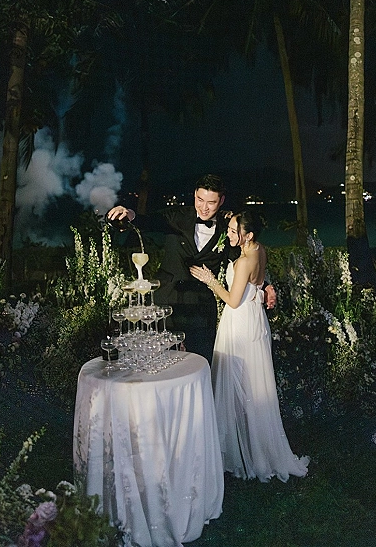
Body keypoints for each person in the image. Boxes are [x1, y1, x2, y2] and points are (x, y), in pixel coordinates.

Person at [190, 211, 309, 482]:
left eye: (233, 231)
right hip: (256, 321)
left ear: (249, 235)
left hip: (240, 323)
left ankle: (235, 450)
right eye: (230, 229)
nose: (229, 235)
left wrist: (210, 281)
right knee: (254, 385)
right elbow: (256, 285)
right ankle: (253, 445)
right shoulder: (260, 250)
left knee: (236, 384)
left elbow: (232, 301)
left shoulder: (244, 261)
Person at [107, 174, 276, 363]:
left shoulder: (227, 227)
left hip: (201, 308)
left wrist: (263, 285)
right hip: (166, 302)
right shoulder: (177, 217)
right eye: (199, 199)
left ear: (221, 200)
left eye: (211, 202)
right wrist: (129, 214)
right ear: (194, 195)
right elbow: (148, 221)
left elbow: (240, 261)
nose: (204, 208)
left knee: (201, 364)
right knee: (160, 363)